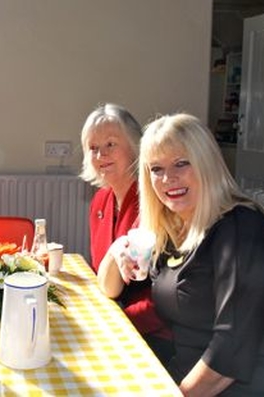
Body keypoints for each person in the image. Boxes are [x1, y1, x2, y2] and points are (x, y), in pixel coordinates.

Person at [131, 113, 264, 395]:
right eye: (156, 168)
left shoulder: (242, 227)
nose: (168, 178)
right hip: (190, 375)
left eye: (182, 163)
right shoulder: (178, 229)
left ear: (207, 164)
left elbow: (230, 350)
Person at [79, 103, 173, 364]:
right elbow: (103, 272)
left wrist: (114, 326)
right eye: (93, 148)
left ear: (136, 147)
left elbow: (166, 294)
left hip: (155, 331)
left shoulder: (156, 202)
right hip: (118, 316)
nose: (100, 155)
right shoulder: (100, 200)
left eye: (110, 144)